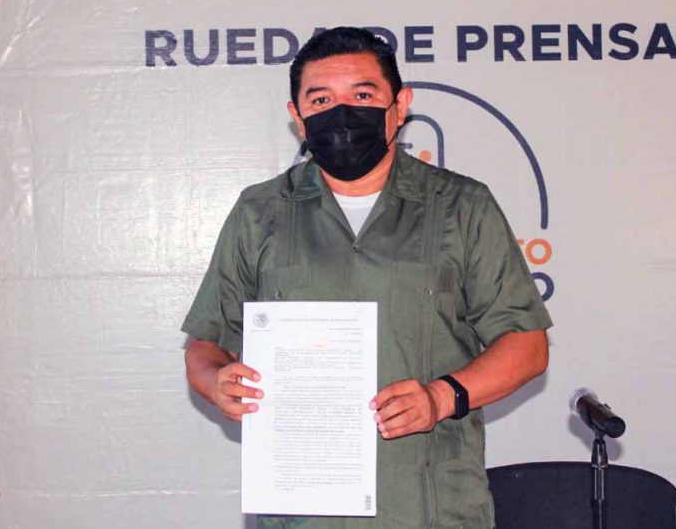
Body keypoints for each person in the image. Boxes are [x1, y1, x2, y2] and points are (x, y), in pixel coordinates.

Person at [182, 26, 552, 528]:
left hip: (432, 510)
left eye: (362, 94)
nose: (342, 114)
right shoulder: (259, 212)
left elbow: (527, 345)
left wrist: (442, 396)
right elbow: (206, 346)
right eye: (321, 99)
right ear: (298, 117)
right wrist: (217, 383)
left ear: (400, 105)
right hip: (301, 512)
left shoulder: (463, 206)